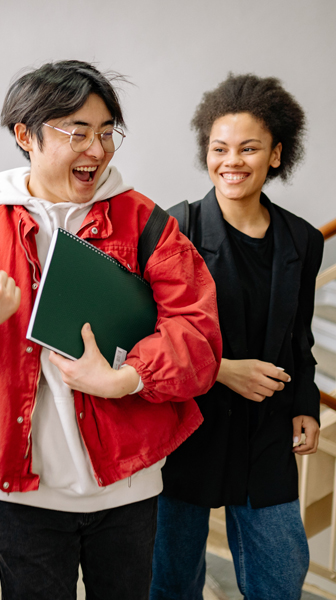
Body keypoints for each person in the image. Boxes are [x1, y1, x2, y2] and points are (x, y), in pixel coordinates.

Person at [0, 60, 222, 600]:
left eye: (107, 131)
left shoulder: (147, 224)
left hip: (128, 487)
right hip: (22, 492)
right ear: (26, 135)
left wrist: (127, 377)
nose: (97, 149)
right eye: (78, 132)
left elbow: (200, 336)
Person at [150, 73, 324, 600]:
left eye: (249, 148)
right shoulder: (174, 229)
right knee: (172, 583)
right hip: (189, 425)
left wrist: (307, 403)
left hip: (267, 428)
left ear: (276, 155)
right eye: (219, 148)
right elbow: (149, 340)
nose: (232, 161)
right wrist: (222, 370)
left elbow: (299, 338)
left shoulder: (304, 239)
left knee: (280, 578)